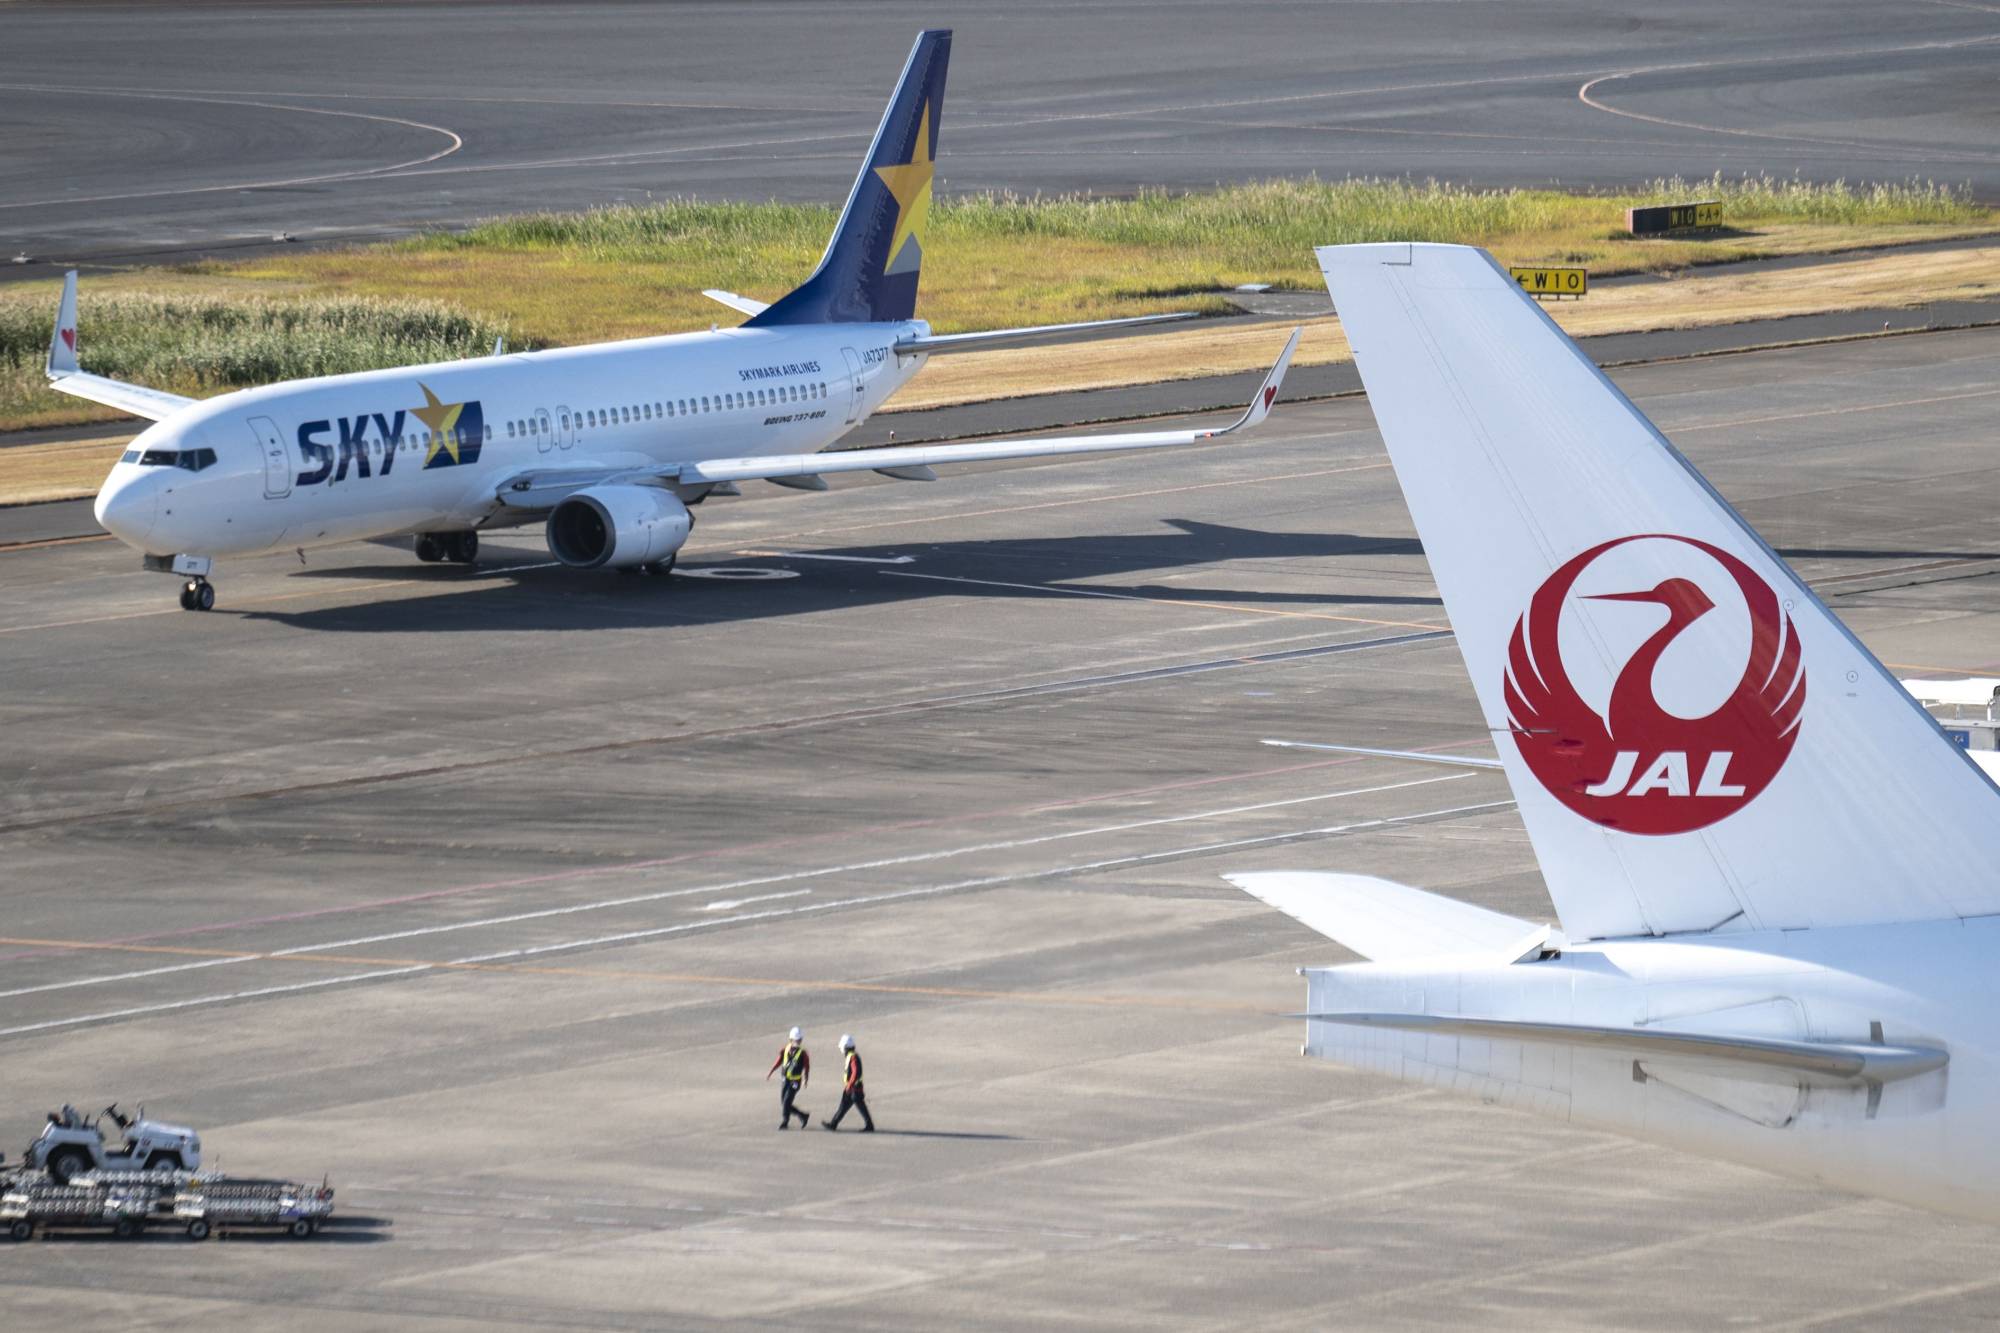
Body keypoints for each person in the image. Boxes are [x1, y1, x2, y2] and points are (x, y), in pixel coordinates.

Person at [822, 1033, 874, 1132]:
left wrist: (849, 1085)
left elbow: (855, 1072)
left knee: (859, 1107)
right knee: (844, 1106)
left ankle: (869, 1125)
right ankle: (833, 1124)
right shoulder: (851, 1056)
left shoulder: (853, 1057)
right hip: (851, 1088)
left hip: (854, 1089)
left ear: (845, 1046)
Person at [766, 1026, 811, 1129]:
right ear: (791, 1039)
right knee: (784, 1103)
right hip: (785, 1079)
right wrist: (771, 1071)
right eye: (796, 1040)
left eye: (799, 1040)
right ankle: (803, 1115)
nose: (798, 1042)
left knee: (786, 1101)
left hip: (795, 1081)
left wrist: (806, 1079)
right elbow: (779, 1061)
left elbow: (807, 1067)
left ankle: (785, 1122)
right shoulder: (785, 1049)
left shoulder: (803, 1053)